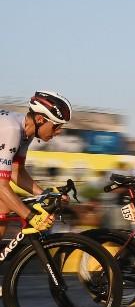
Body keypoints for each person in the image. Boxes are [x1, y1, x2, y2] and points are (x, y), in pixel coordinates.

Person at [0, 91, 73, 233]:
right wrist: (31, 216)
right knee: (4, 204)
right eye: (56, 126)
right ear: (40, 119)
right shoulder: (12, 130)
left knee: (4, 208)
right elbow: (1, 186)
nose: (58, 132)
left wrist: (45, 194)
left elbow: (17, 171)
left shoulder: (26, 133)